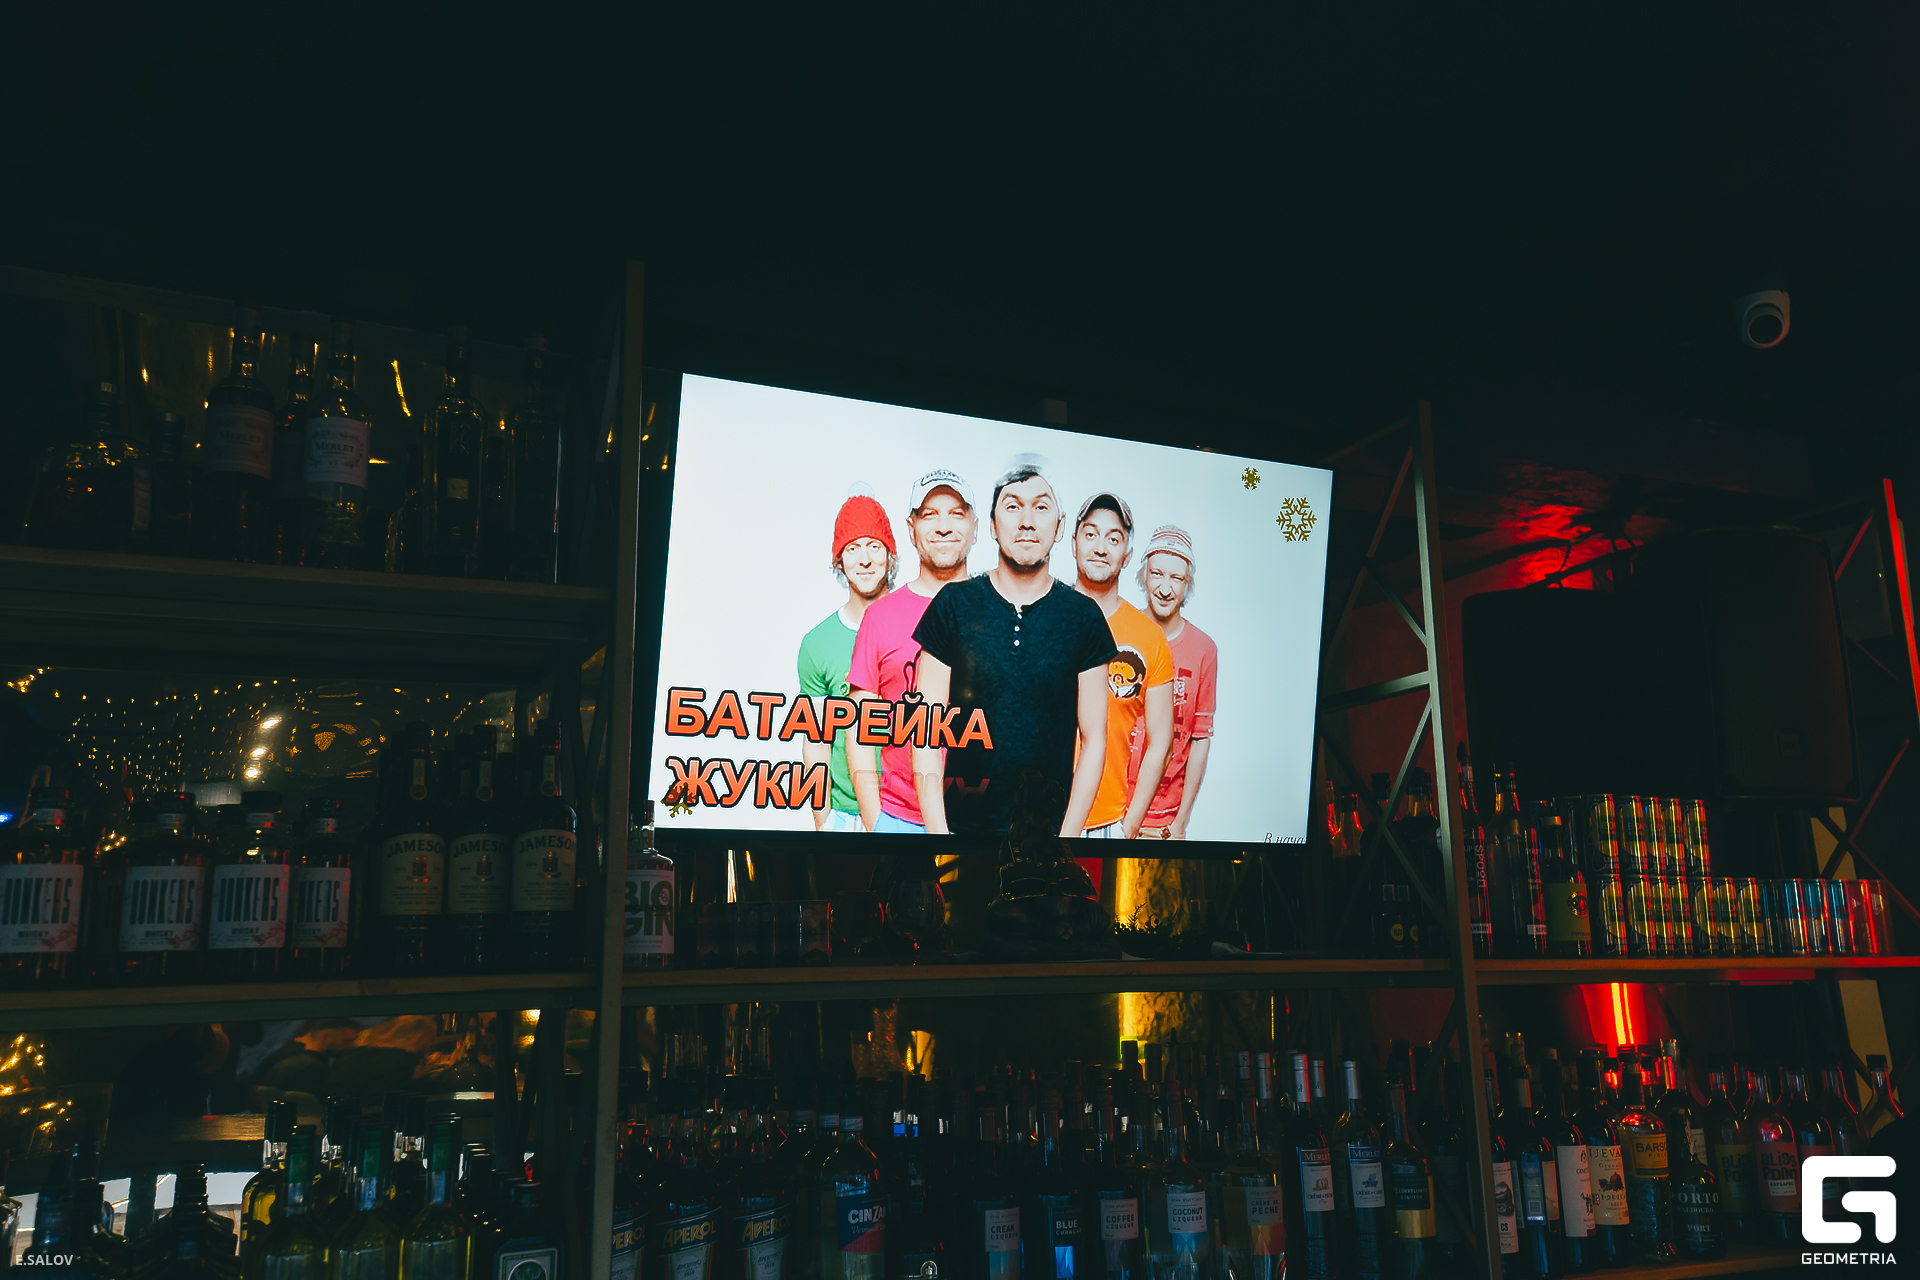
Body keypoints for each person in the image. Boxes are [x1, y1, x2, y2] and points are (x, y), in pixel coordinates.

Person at [911, 463, 1117, 837]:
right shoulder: (953, 605)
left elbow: (1094, 741)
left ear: (1059, 526)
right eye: (1012, 506)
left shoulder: (1083, 617)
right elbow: (925, 731)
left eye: (1041, 507)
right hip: (960, 835)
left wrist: (1065, 842)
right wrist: (939, 838)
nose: (1026, 522)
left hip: (1046, 842)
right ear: (992, 525)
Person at [847, 469, 979, 832]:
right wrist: (877, 824)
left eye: (956, 514)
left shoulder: (998, 611)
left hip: (982, 823)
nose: (943, 527)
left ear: (975, 526)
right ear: (911, 527)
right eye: (930, 515)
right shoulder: (880, 617)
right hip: (899, 821)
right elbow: (859, 731)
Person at [1069, 492, 1174, 839]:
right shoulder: (1042, 614)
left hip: (1105, 825)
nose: (1101, 547)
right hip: (1034, 819)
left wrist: (1127, 828)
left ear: (1127, 555)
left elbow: (1162, 741)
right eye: (1091, 534)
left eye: (1114, 539)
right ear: (1073, 543)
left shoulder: (1148, 637)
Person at [795, 494, 894, 831]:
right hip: (844, 816)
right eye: (853, 548)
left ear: (890, 555)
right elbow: (816, 742)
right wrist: (824, 822)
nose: (864, 560)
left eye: (874, 547)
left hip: (905, 815)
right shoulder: (817, 643)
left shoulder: (917, 626)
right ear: (839, 560)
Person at [1130, 525, 1217, 839]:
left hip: (1164, 826)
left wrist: (1181, 822)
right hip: (1114, 813)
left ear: (1187, 584)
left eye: (1176, 578)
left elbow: (1200, 738)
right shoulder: (1121, 631)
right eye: (1157, 574)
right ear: (1144, 575)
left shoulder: (1204, 649)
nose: (1165, 588)